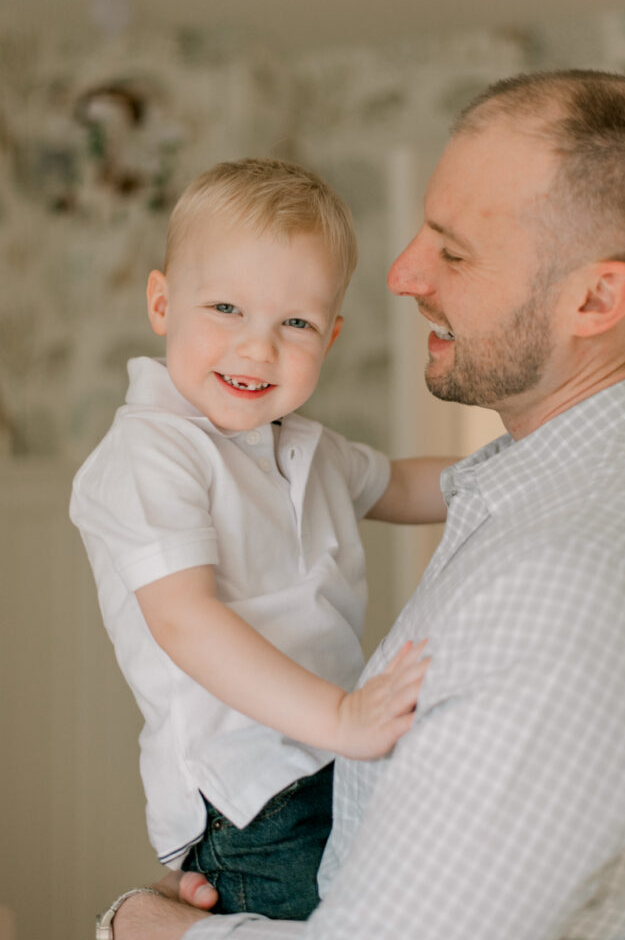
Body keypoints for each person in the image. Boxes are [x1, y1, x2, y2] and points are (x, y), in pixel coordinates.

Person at [105, 69, 625, 940]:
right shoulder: (552, 497)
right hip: (264, 788)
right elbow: (184, 618)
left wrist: (140, 929)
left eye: (453, 250)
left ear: (595, 298)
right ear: (162, 302)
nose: (404, 274)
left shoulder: (563, 586)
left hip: (292, 778)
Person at [71, 159, 447, 922]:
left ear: (331, 336)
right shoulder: (153, 452)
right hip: (248, 793)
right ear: (161, 302)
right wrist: (339, 717)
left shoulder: (302, 443)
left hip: (323, 758)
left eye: (295, 323)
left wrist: (523, 461)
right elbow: (186, 621)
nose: (257, 348)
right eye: (225, 308)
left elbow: (407, 486)